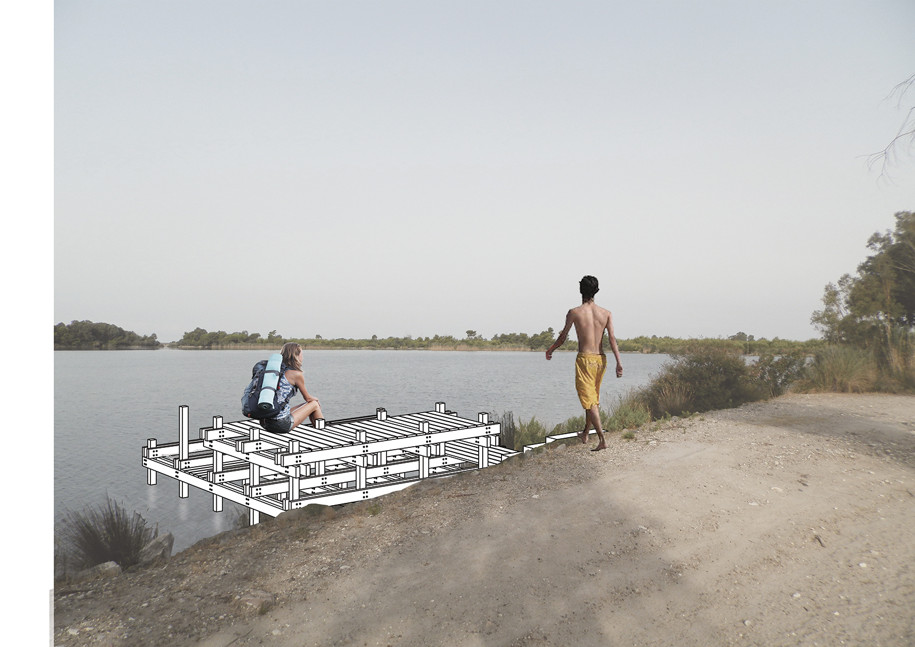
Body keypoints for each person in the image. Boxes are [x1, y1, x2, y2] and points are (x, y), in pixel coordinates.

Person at [545, 275, 623, 451]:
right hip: (601, 360)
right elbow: (612, 339)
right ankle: (586, 433)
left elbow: (562, 337)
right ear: (596, 291)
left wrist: (551, 350)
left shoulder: (574, 312)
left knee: (590, 401)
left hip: (585, 360)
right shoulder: (606, 313)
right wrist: (619, 362)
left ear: (581, 290)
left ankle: (602, 439)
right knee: (592, 398)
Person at [260, 342, 325, 434]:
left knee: (307, 405)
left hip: (265, 422)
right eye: (302, 354)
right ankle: (322, 432)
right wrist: (317, 399)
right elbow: (308, 398)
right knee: (314, 404)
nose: (303, 357)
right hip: (280, 424)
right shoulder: (296, 374)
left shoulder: (275, 371)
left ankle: (318, 429)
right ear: (296, 356)